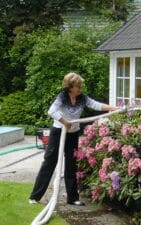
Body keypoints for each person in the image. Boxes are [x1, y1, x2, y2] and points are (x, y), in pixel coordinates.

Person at [29, 72, 119, 206]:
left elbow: (96, 105)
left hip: (73, 133)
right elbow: (51, 111)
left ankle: (72, 198)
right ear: (70, 86)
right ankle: (34, 197)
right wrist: (65, 122)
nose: (80, 88)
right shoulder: (62, 97)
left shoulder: (82, 98)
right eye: (78, 85)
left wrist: (113, 108)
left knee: (71, 164)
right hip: (58, 132)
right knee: (50, 162)